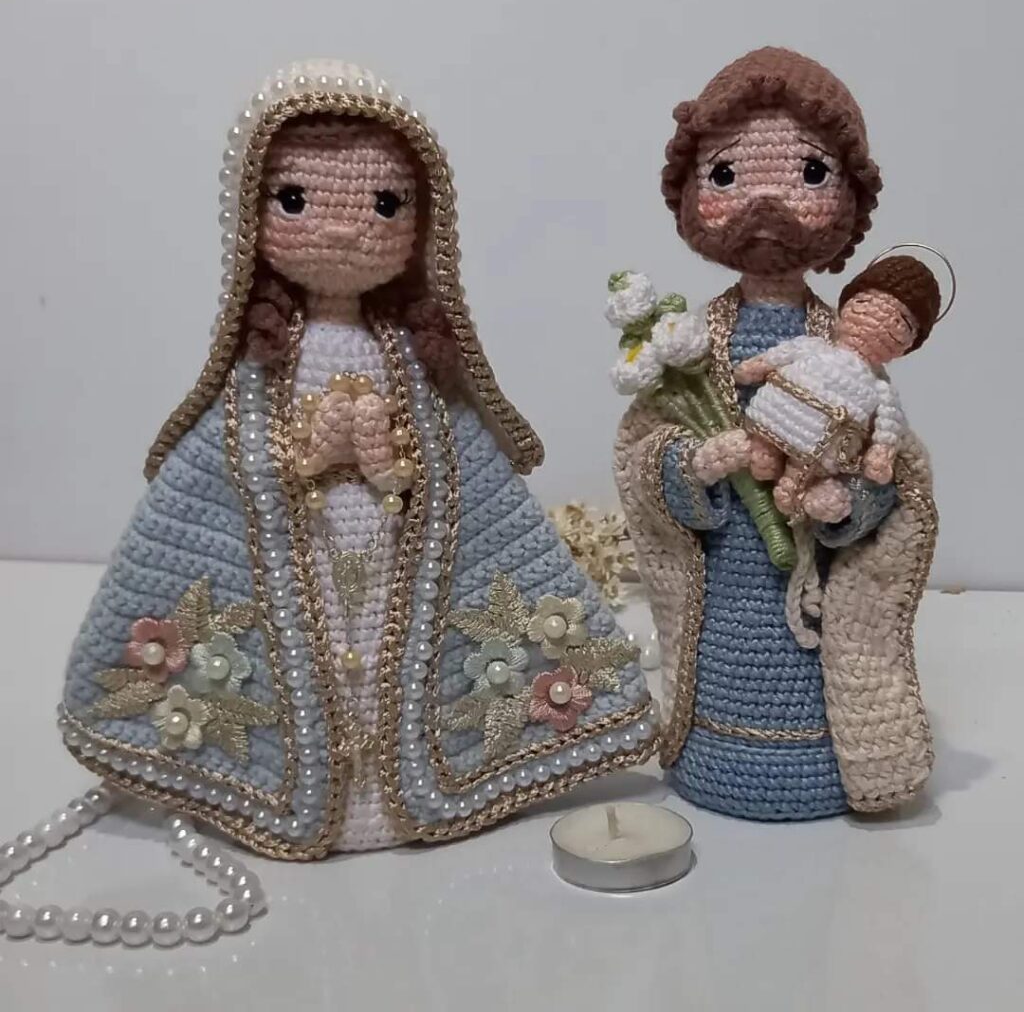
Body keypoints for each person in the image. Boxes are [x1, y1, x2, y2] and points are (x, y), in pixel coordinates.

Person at [60, 61, 653, 858]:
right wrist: (306, 453)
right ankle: (308, 787)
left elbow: (460, 470)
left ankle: (398, 788)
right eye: (296, 200)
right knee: (300, 669)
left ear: (422, 220)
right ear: (251, 212)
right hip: (299, 551)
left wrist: (383, 455)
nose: (344, 230)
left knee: (393, 663)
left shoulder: (411, 357)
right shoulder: (260, 366)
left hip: (390, 545)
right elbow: (223, 466)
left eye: (383, 204)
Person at [614, 47, 937, 819]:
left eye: (810, 173)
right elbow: (640, 455)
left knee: (809, 660)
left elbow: (894, 476)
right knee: (729, 662)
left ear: (849, 198)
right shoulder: (688, 344)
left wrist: (847, 503)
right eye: (727, 174)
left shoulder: (848, 353)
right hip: (723, 577)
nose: (767, 200)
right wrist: (694, 465)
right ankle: (714, 751)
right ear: (692, 196)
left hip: (811, 583)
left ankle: (828, 757)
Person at [737, 255, 942, 522]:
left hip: (821, 443)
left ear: (908, 343)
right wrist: (757, 366)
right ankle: (766, 454)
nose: (876, 320)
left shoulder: (879, 389)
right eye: (864, 302)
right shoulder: (817, 347)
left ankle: (794, 486)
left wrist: (881, 452)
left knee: (798, 474)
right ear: (846, 305)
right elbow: (786, 353)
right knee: (762, 452)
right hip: (777, 414)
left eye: (900, 322)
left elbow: (889, 424)